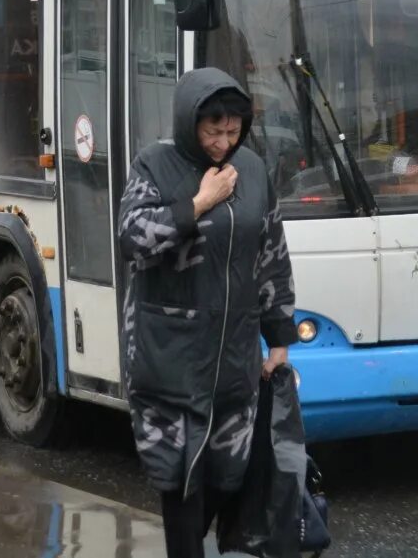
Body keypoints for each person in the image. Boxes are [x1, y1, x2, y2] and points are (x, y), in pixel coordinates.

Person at [117, 67, 298, 558]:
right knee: (180, 485)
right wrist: (198, 203)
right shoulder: (155, 165)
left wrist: (279, 336)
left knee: (229, 477)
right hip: (168, 360)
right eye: (212, 131)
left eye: (232, 131)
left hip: (233, 362)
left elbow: (270, 255)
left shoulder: (255, 171)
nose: (222, 143)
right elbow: (132, 238)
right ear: (189, 123)